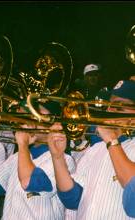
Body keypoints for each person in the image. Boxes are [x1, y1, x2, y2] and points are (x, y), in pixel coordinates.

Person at [0, 100, 76, 220]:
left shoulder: (64, 160)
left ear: (55, 124)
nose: (30, 120)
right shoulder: (18, 157)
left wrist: (22, 144)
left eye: (38, 114)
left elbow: (28, 182)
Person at [49, 80, 135, 219]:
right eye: (110, 105)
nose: (110, 111)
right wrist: (57, 157)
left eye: (119, 107)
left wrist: (111, 141)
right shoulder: (95, 149)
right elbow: (72, 199)